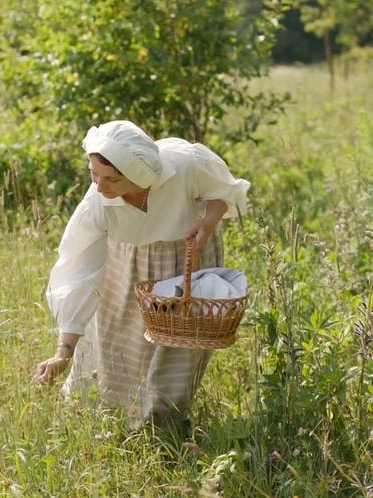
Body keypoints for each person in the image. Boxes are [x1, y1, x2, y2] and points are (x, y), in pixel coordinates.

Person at [33, 120, 249, 430]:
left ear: (136, 175)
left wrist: (209, 221)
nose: (99, 187)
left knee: (177, 348)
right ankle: (115, 422)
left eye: (111, 179)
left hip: (186, 259)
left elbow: (222, 191)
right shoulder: (99, 201)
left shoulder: (184, 165)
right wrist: (62, 352)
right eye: (93, 174)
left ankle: (163, 428)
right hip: (127, 267)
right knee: (116, 344)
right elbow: (78, 270)